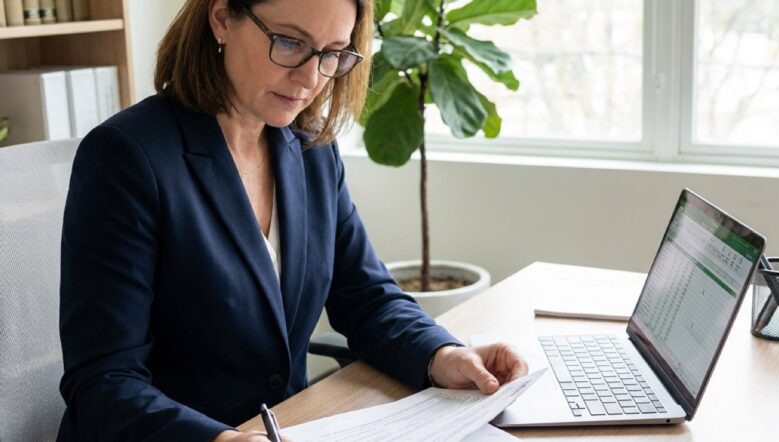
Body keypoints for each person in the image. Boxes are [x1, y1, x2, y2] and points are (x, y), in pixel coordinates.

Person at [57, 0, 529, 440]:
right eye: (290, 43)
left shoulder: (309, 149)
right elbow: (102, 382)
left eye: (332, 54)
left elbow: (366, 297)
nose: (310, 79)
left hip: (290, 425)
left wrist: (443, 356)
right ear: (222, 18)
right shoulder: (127, 157)